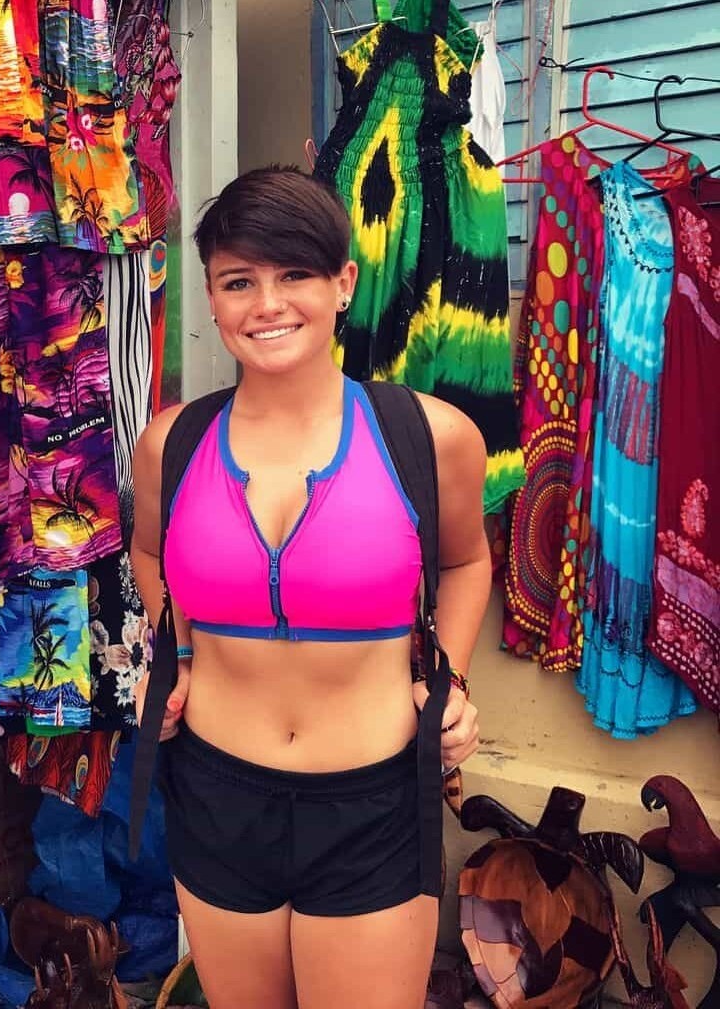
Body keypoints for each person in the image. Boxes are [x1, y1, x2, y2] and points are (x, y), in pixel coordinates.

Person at [130, 166, 489, 1009]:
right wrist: (178, 656)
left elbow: (468, 562)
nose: (268, 304)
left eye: (294, 273)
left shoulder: (429, 436)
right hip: (216, 797)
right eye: (238, 281)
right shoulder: (170, 445)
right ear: (211, 298)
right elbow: (149, 555)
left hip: (373, 805)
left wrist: (450, 679)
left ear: (343, 284)